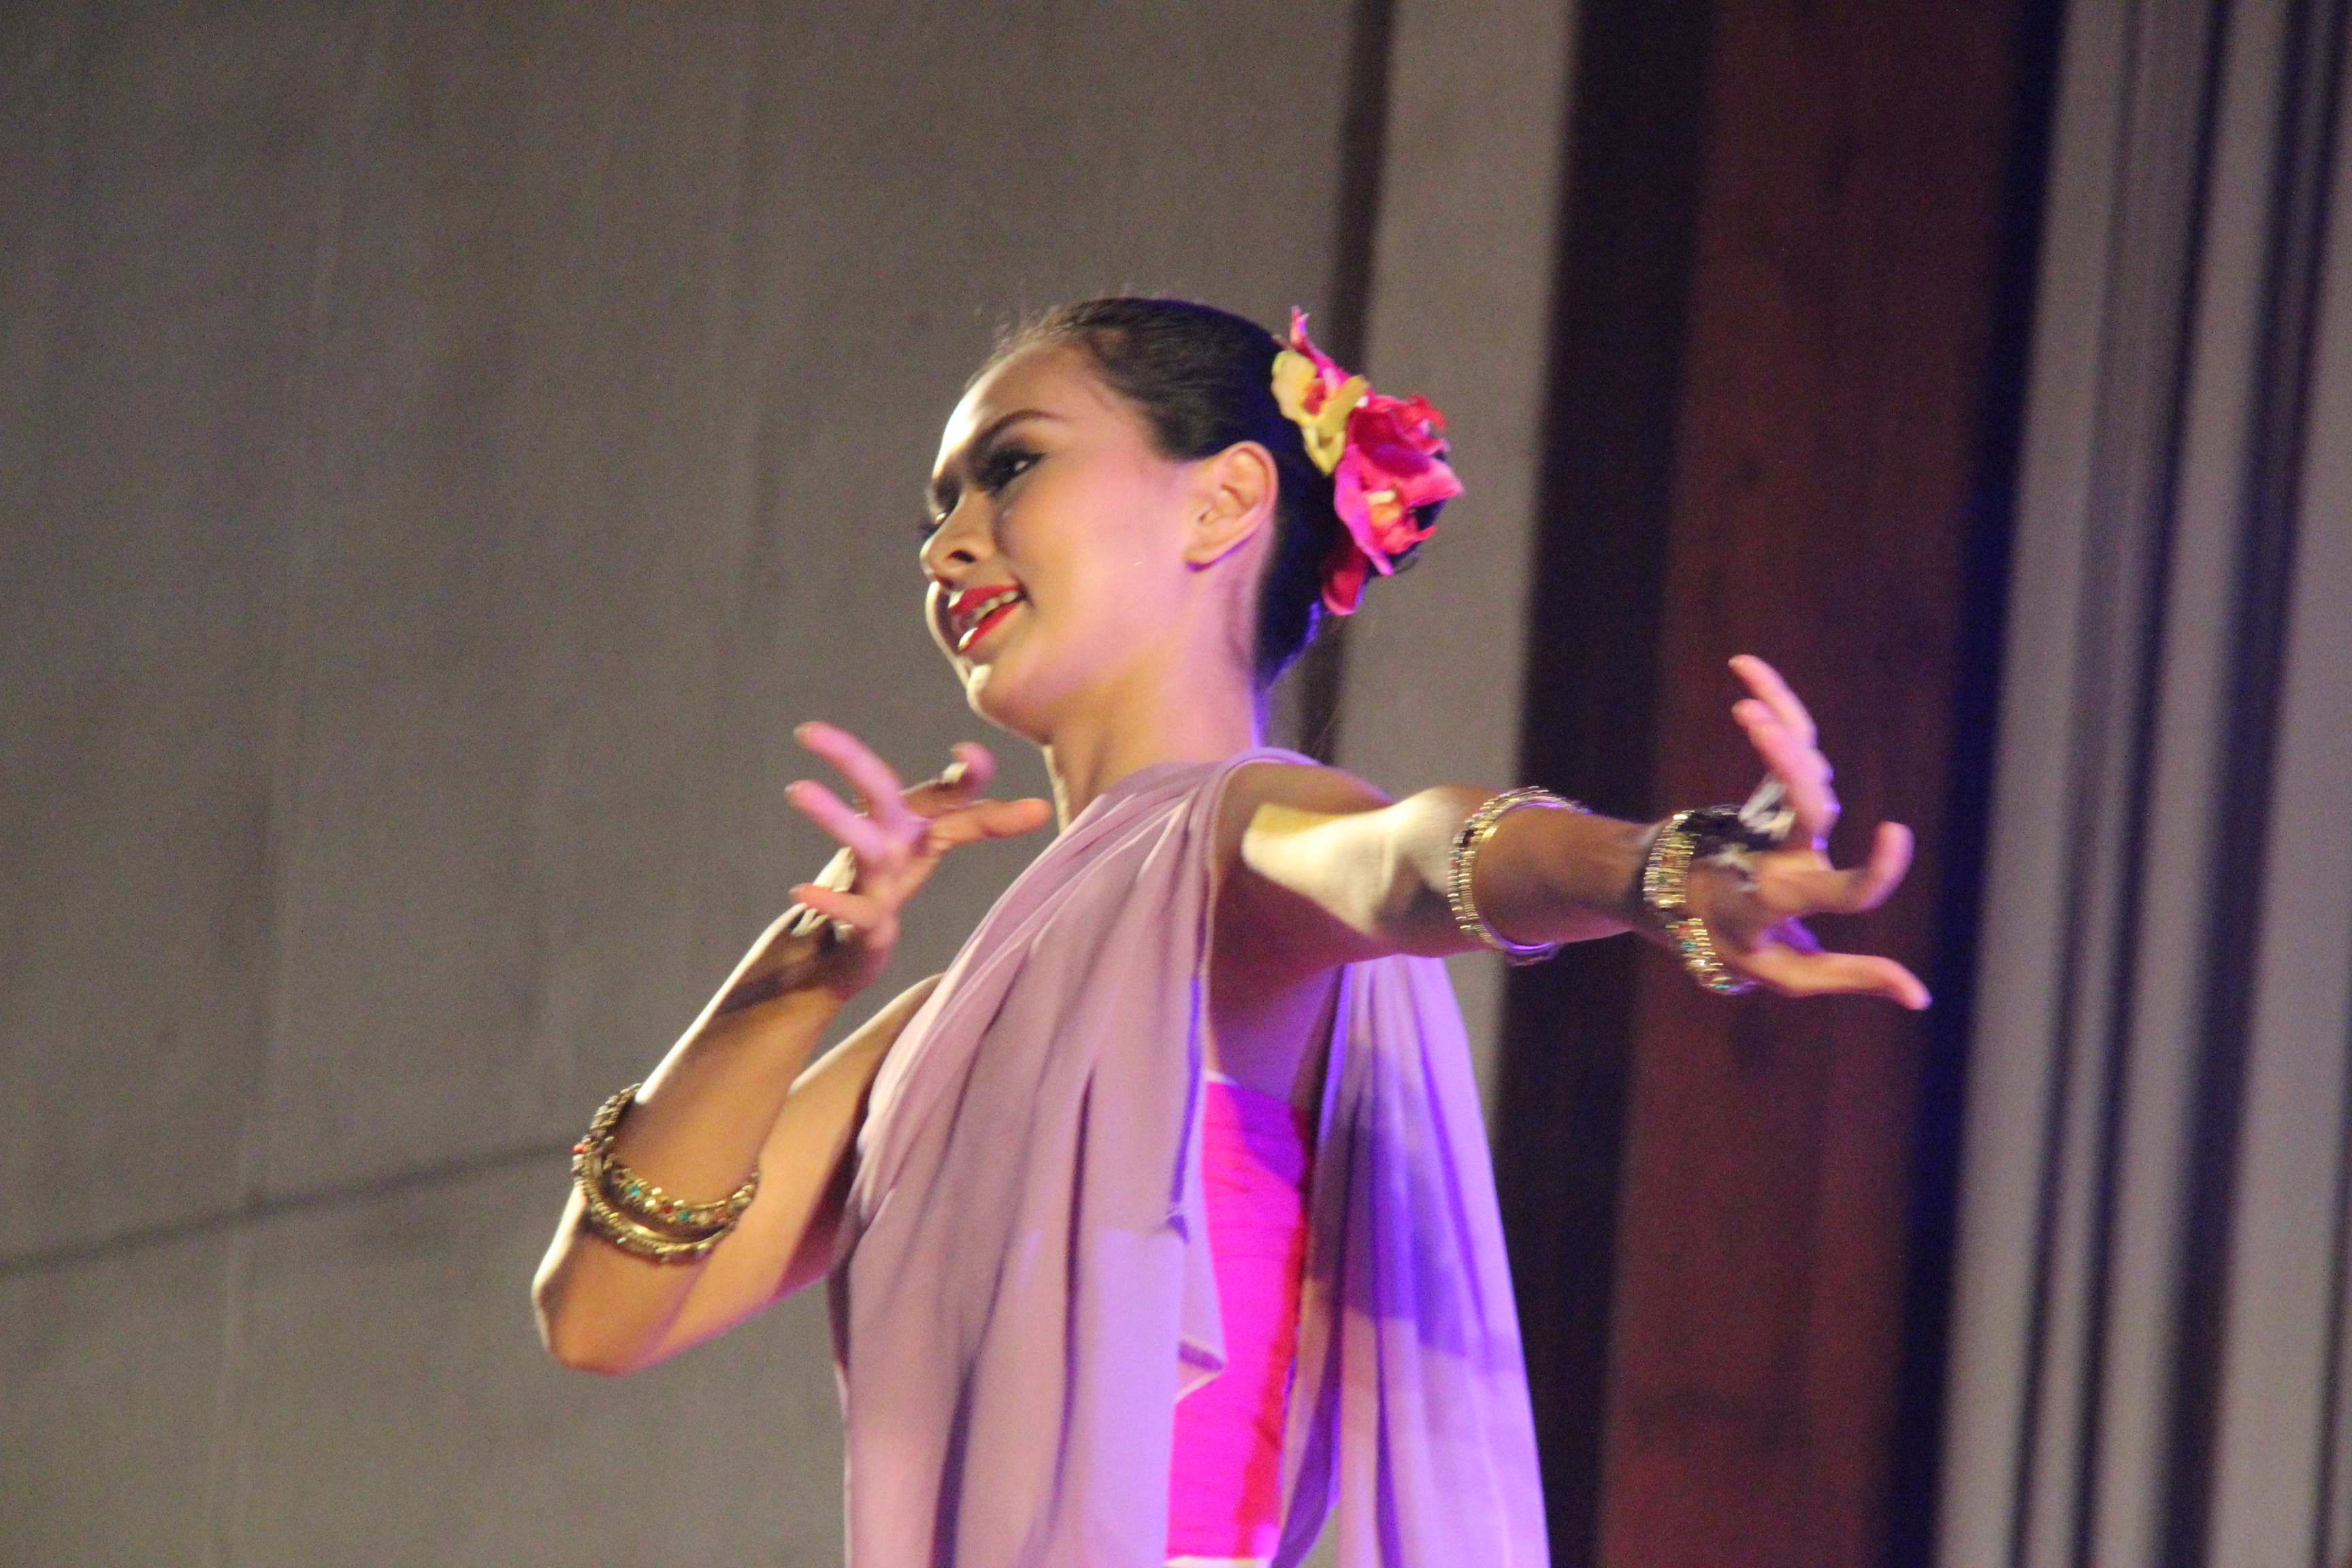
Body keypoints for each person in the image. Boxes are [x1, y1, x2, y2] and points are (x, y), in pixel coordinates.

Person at [531, 298, 1927, 1568]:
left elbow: (1404, 857)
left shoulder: (1233, 835)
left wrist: (1654, 870)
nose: (948, 544)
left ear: (1225, 501)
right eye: (937, 511)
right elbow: (600, 1314)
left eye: (1011, 467)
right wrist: (788, 988)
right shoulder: (953, 1019)